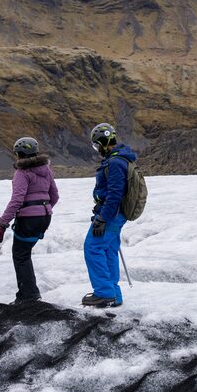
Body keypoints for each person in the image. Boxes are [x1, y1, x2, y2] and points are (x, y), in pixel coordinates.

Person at [0, 137, 59, 303]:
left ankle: (28, 295)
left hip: (29, 219)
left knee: (20, 254)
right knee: (25, 253)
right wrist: (43, 210)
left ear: (20, 154)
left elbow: (17, 200)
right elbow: (55, 196)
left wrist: (2, 224)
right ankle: (28, 293)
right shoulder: (46, 170)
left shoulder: (21, 172)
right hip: (45, 217)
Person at [82, 123, 136, 308]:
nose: (97, 150)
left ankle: (104, 293)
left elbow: (115, 194)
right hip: (115, 214)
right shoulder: (120, 159)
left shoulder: (114, 163)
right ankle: (114, 294)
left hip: (112, 214)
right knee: (109, 250)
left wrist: (103, 218)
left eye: (97, 145)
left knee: (93, 247)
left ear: (104, 143)